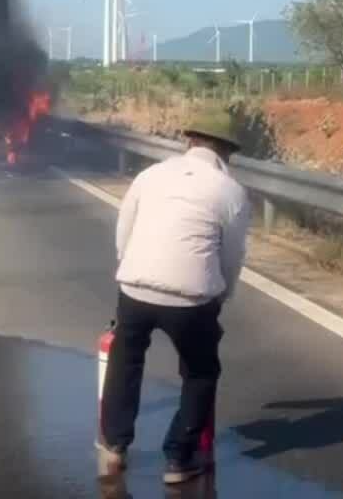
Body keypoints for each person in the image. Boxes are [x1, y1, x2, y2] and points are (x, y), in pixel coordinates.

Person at [98, 108, 251, 484]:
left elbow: (125, 231)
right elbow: (232, 256)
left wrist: (133, 271)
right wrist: (222, 296)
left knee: (125, 361)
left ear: (190, 140)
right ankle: (179, 460)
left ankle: (114, 448)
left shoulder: (150, 174)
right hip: (192, 299)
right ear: (227, 152)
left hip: (134, 289)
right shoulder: (230, 191)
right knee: (201, 372)